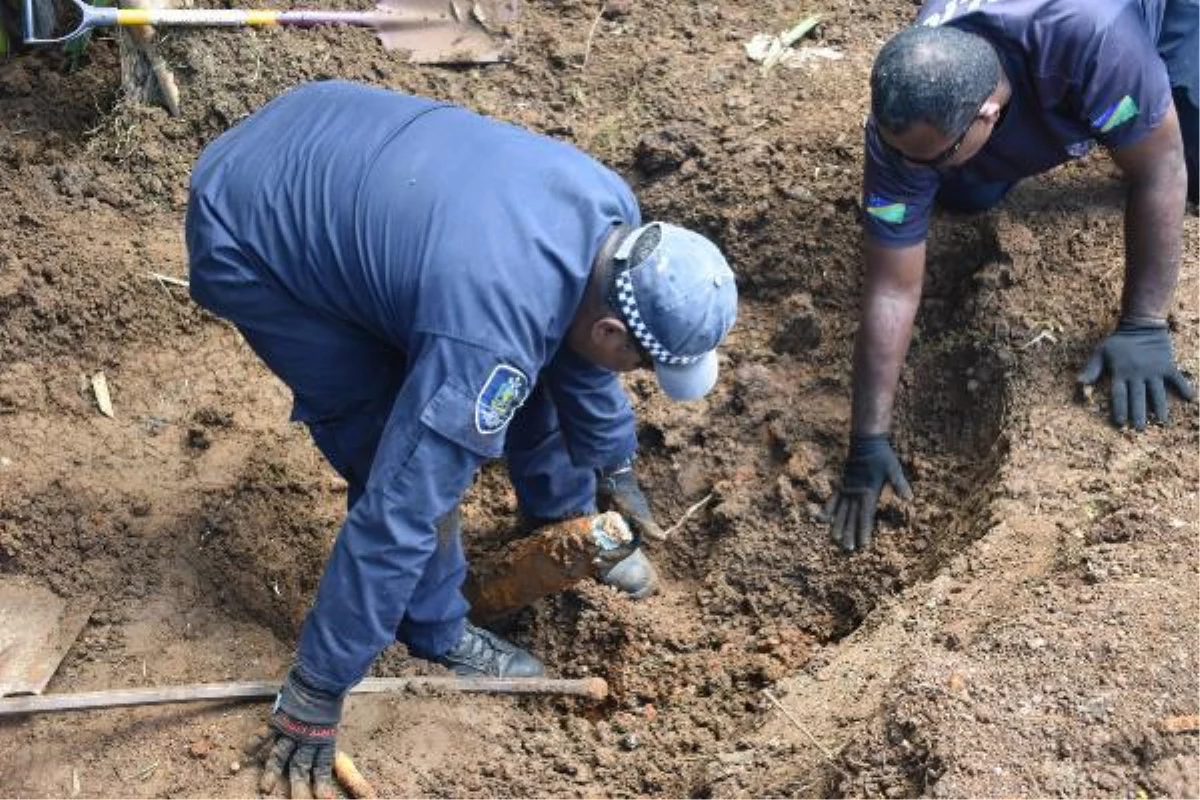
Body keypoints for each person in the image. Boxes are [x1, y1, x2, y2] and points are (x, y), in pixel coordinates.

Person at [185, 80, 738, 797]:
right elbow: (403, 505)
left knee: (517, 369)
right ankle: (436, 627)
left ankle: (555, 517)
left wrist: (611, 460)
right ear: (616, 333)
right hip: (251, 233)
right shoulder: (487, 335)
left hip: (321, 130)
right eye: (645, 364)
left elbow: (571, 352)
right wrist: (318, 691)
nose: (638, 375)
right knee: (389, 428)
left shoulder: (610, 214)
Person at [826, 0, 1199, 553]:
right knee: (959, 191)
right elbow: (891, 287)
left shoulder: (1093, 41)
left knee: (1184, 152)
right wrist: (867, 438)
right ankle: (1098, 114)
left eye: (933, 155)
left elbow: (1161, 168)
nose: (911, 170)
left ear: (987, 114)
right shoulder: (913, 112)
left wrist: (1143, 323)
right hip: (1035, 77)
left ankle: (1129, 100)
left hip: (1134, 20)